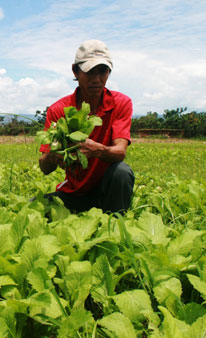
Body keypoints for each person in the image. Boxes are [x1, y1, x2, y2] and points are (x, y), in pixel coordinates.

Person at [39, 39, 135, 214]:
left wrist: (96, 150)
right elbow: (45, 168)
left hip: (106, 191)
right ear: (76, 71)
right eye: (90, 72)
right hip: (74, 193)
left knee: (121, 172)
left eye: (103, 72)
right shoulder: (58, 110)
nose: (97, 80)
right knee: (37, 209)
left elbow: (120, 152)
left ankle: (116, 222)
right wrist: (54, 155)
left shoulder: (121, 103)